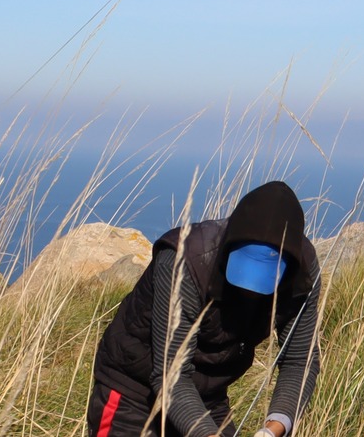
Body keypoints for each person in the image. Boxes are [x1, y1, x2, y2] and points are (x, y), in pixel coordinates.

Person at [85, 181, 321, 437]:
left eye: (264, 279)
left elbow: (299, 360)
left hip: (207, 398)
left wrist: (274, 429)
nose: (251, 291)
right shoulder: (185, 261)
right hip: (133, 394)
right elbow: (171, 375)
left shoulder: (301, 274)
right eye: (243, 271)